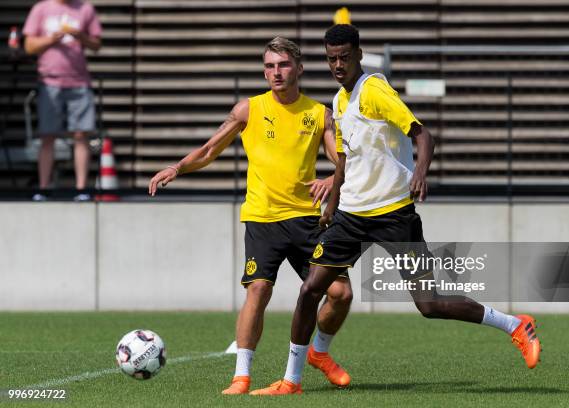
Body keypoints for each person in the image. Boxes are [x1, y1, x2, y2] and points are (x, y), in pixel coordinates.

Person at [251, 24, 541, 396]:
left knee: (430, 304)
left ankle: (516, 325)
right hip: (351, 218)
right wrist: (333, 204)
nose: (337, 65)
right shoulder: (340, 101)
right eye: (331, 59)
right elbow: (343, 160)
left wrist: (420, 173)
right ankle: (291, 380)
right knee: (310, 290)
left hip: (393, 215)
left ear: (358, 54)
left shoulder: (375, 90)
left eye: (343, 57)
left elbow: (423, 135)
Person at [148, 37, 353, 395]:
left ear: (299, 68)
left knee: (341, 293)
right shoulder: (249, 109)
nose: (276, 72)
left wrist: (329, 179)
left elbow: (342, 162)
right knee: (258, 289)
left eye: (283, 65)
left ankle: (319, 353)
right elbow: (211, 149)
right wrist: (177, 168)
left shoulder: (319, 114)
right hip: (262, 218)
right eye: (269, 66)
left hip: (307, 220)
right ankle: (241, 377)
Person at [23, 0, 102, 201]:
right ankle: (43, 187)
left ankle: (81, 188)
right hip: (49, 81)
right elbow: (29, 46)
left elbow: (96, 44)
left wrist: (80, 36)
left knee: (81, 135)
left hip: (79, 81)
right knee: (47, 136)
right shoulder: (41, 9)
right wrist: (51, 39)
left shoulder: (85, 8)